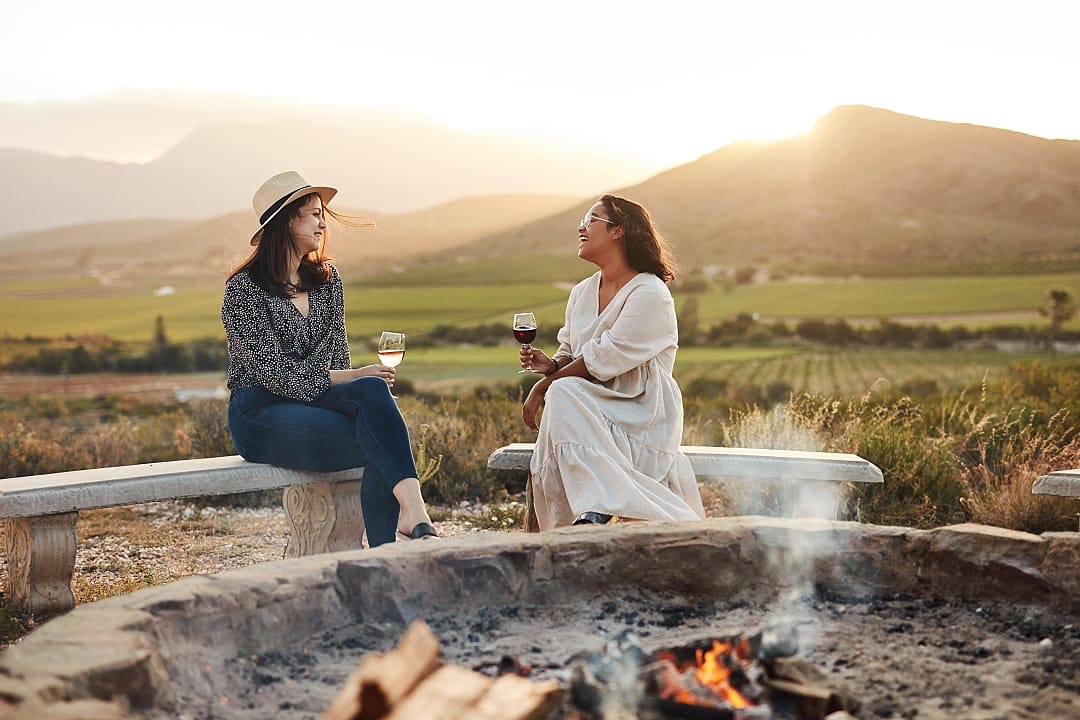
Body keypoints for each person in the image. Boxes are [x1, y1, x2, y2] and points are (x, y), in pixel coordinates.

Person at [222, 170, 437, 547]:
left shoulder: (326, 279)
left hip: (315, 404)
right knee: (378, 439)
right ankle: (392, 546)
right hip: (260, 412)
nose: (324, 222)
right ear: (288, 220)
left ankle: (411, 515)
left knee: (371, 393)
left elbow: (336, 356)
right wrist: (351, 375)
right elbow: (275, 374)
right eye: (315, 213)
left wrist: (358, 377)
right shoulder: (243, 289)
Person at [520, 194, 705, 529]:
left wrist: (546, 385)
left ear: (618, 231)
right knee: (564, 393)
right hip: (589, 404)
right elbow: (572, 352)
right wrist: (551, 365)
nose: (581, 227)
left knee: (561, 394)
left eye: (591, 220)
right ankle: (590, 510)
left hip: (640, 410)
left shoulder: (649, 292)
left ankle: (596, 505)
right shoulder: (581, 292)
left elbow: (603, 358)